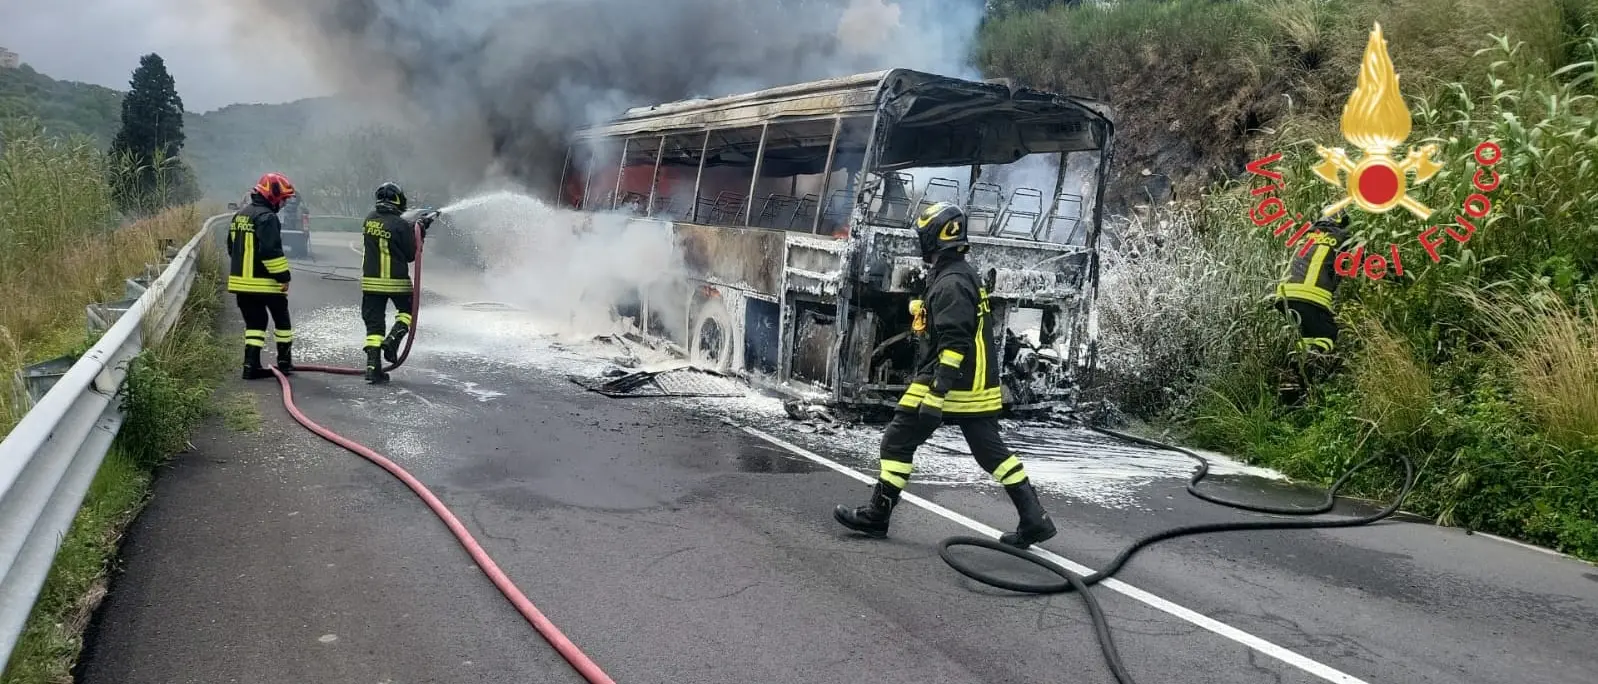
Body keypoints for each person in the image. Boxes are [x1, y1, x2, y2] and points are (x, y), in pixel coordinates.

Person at [834, 202, 1056, 548]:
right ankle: (1034, 517)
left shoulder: (950, 282)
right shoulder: (960, 273)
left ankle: (878, 515)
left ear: (932, 238)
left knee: (897, 440)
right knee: (990, 451)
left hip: (951, 381)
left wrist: (937, 393)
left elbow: (955, 343)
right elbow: (956, 324)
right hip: (978, 382)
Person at [226, 172, 297, 379]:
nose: (283, 204)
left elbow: (232, 248)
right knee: (282, 322)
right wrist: (283, 276)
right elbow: (270, 252)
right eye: (283, 199)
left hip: (242, 284)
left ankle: (251, 365)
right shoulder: (267, 217)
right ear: (273, 195)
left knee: (255, 324)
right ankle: (284, 363)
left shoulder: (240, 215)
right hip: (265, 283)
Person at [1274, 212, 1351, 400]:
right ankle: (1303, 374)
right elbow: (1366, 262)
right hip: (1310, 296)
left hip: (1285, 296)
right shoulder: (1344, 238)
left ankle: (1294, 382)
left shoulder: (1307, 233)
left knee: (1308, 336)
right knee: (1328, 334)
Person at [359, 182, 430, 384]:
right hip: (397, 282)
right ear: (398, 200)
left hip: (371, 283)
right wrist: (420, 231)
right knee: (407, 311)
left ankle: (373, 368)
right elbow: (410, 254)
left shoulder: (369, 219)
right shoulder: (399, 224)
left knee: (374, 326)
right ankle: (393, 340)